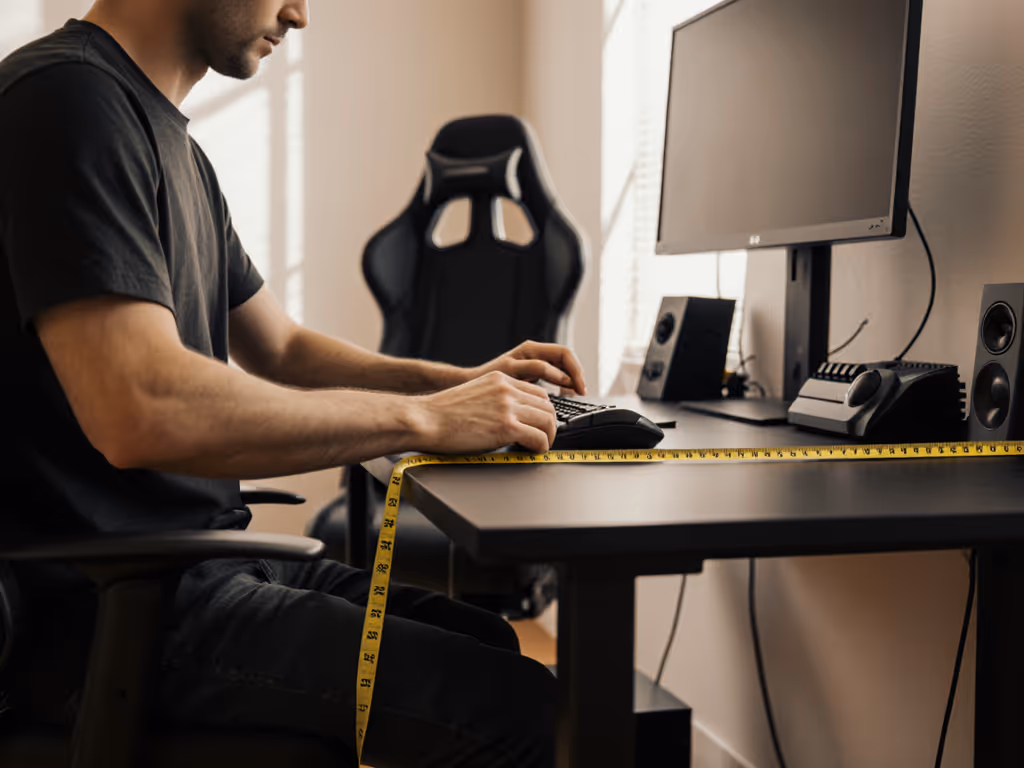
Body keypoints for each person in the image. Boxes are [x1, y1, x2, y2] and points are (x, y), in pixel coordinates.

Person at [0, 1, 587, 765]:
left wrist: (464, 383)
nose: (298, 14)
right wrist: (425, 421)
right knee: (523, 712)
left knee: (485, 637)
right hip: (108, 609)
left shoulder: (169, 142)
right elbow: (138, 409)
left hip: (194, 565)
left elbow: (281, 347)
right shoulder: (64, 102)